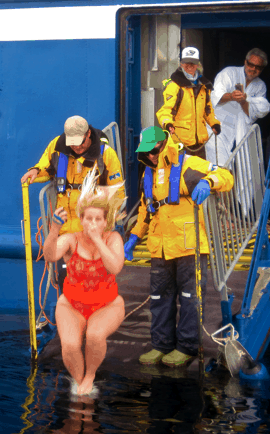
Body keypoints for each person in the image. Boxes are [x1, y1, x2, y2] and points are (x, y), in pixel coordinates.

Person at [123, 126, 234, 367]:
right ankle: (161, 345)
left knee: (190, 298)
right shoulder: (147, 174)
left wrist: (209, 182)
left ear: (163, 145)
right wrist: (133, 237)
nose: (151, 156)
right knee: (159, 298)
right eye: (146, 152)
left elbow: (226, 176)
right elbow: (145, 209)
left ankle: (187, 346)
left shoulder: (188, 164)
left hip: (188, 245)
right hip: (160, 246)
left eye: (153, 151)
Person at [43, 167, 126, 396]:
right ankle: (82, 386)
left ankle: (91, 375)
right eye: (88, 218)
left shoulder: (113, 238)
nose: (91, 223)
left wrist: (98, 240)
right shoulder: (71, 239)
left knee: (95, 335)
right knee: (69, 345)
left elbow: (115, 267)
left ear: (105, 220)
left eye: (97, 219)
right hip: (71, 304)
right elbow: (50, 255)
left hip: (108, 304)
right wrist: (54, 229)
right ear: (80, 219)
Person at [20, 116, 125, 288]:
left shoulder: (106, 154)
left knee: (94, 285)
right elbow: (45, 167)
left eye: (80, 142)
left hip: (93, 234)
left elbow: (118, 192)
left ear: (88, 134)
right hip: (67, 232)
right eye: (72, 143)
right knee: (67, 283)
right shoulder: (57, 146)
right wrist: (34, 171)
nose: (76, 146)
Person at [206, 48, 270, 167]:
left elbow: (257, 112)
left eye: (258, 67)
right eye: (251, 64)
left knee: (244, 168)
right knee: (220, 164)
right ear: (245, 62)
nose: (253, 69)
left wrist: (243, 102)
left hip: (241, 131)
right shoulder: (229, 73)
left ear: (262, 69)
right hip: (219, 127)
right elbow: (215, 96)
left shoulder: (261, 86)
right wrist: (231, 96)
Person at [156, 47, 220, 160]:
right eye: (186, 62)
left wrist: (214, 123)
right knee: (181, 176)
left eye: (193, 63)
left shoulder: (204, 86)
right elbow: (166, 110)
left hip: (199, 144)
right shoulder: (174, 86)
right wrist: (168, 124)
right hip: (180, 143)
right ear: (181, 63)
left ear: (197, 64)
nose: (189, 66)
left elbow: (208, 110)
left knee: (201, 174)